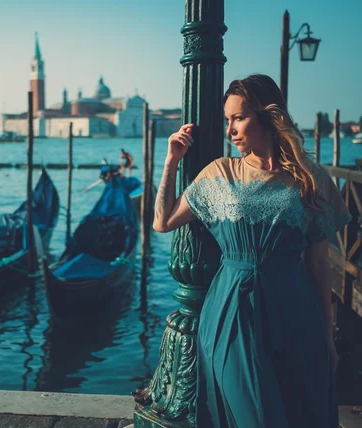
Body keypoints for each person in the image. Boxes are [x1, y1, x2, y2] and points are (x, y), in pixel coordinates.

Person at [152, 74, 350, 428]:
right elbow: (163, 221)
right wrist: (171, 161)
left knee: (300, 410)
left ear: (268, 117)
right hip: (233, 310)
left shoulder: (309, 179)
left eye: (238, 118)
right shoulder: (220, 173)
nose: (230, 130)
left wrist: (328, 337)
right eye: (227, 120)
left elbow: (320, 268)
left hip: (295, 312)